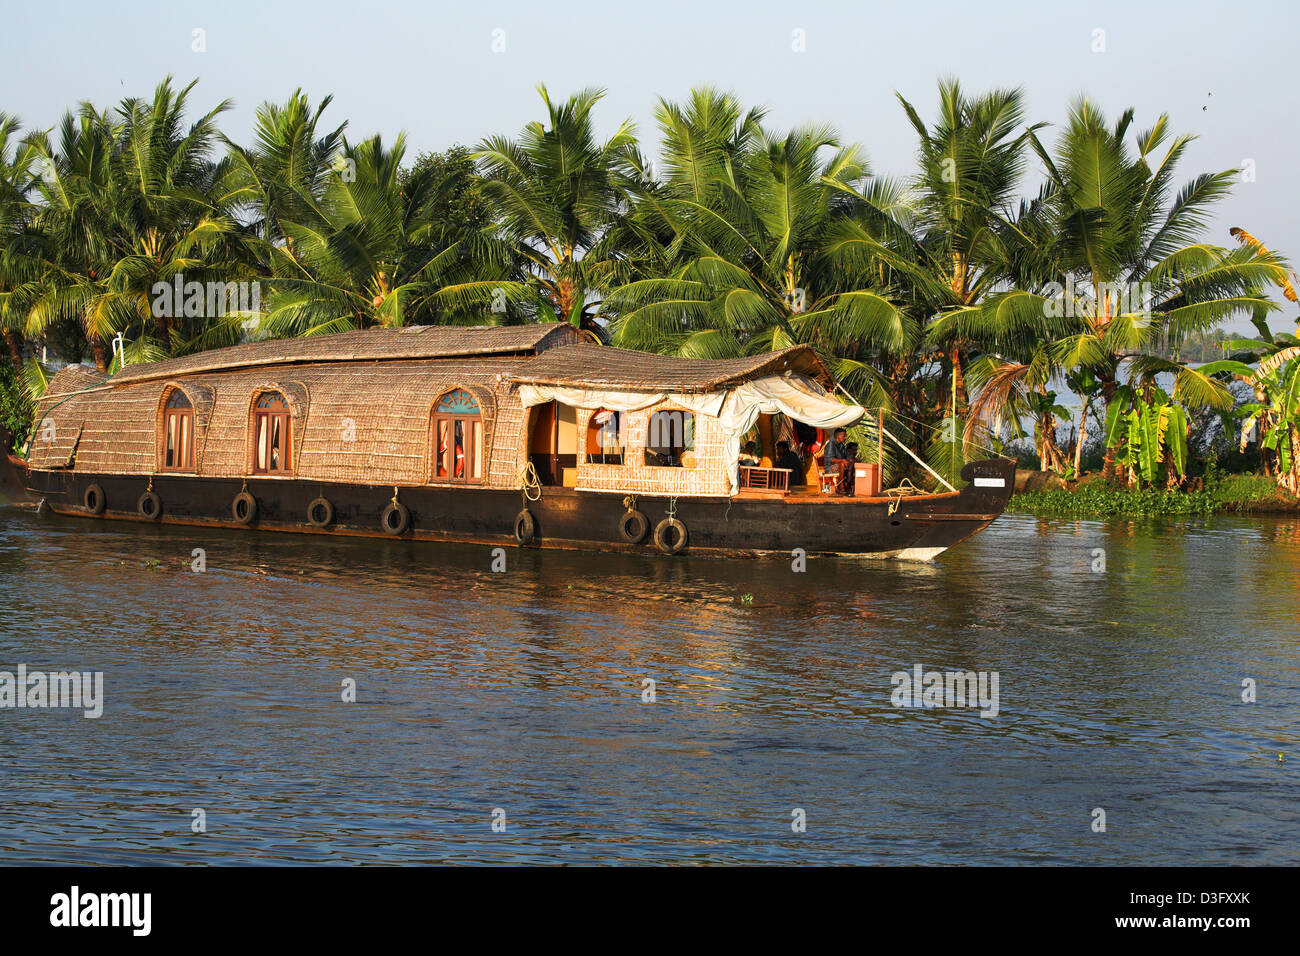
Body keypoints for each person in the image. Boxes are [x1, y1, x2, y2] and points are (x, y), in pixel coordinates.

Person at [823, 428, 854, 495]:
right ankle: (841, 485)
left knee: (852, 462)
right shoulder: (831, 444)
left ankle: (848, 483)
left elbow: (847, 455)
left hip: (840, 467)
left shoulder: (841, 445)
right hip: (830, 468)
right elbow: (830, 459)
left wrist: (851, 459)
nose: (845, 438)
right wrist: (842, 460)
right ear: (838, 436)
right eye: (844, 436)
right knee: (842, 464)